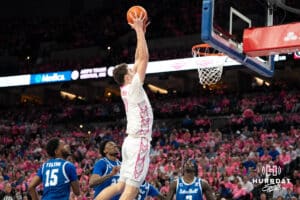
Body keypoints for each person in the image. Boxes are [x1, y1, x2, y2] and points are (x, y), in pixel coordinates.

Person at [96, 11, 152, 200]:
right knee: (131, 190)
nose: (133, 68)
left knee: (120, 185)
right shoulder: (134, 87)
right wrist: (138, 30)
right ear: (128, 76)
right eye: (130, 70)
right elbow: (143, 59)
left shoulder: (125, 87)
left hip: (130, 142)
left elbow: (137, 59)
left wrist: (141, 34)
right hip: (138, 142)